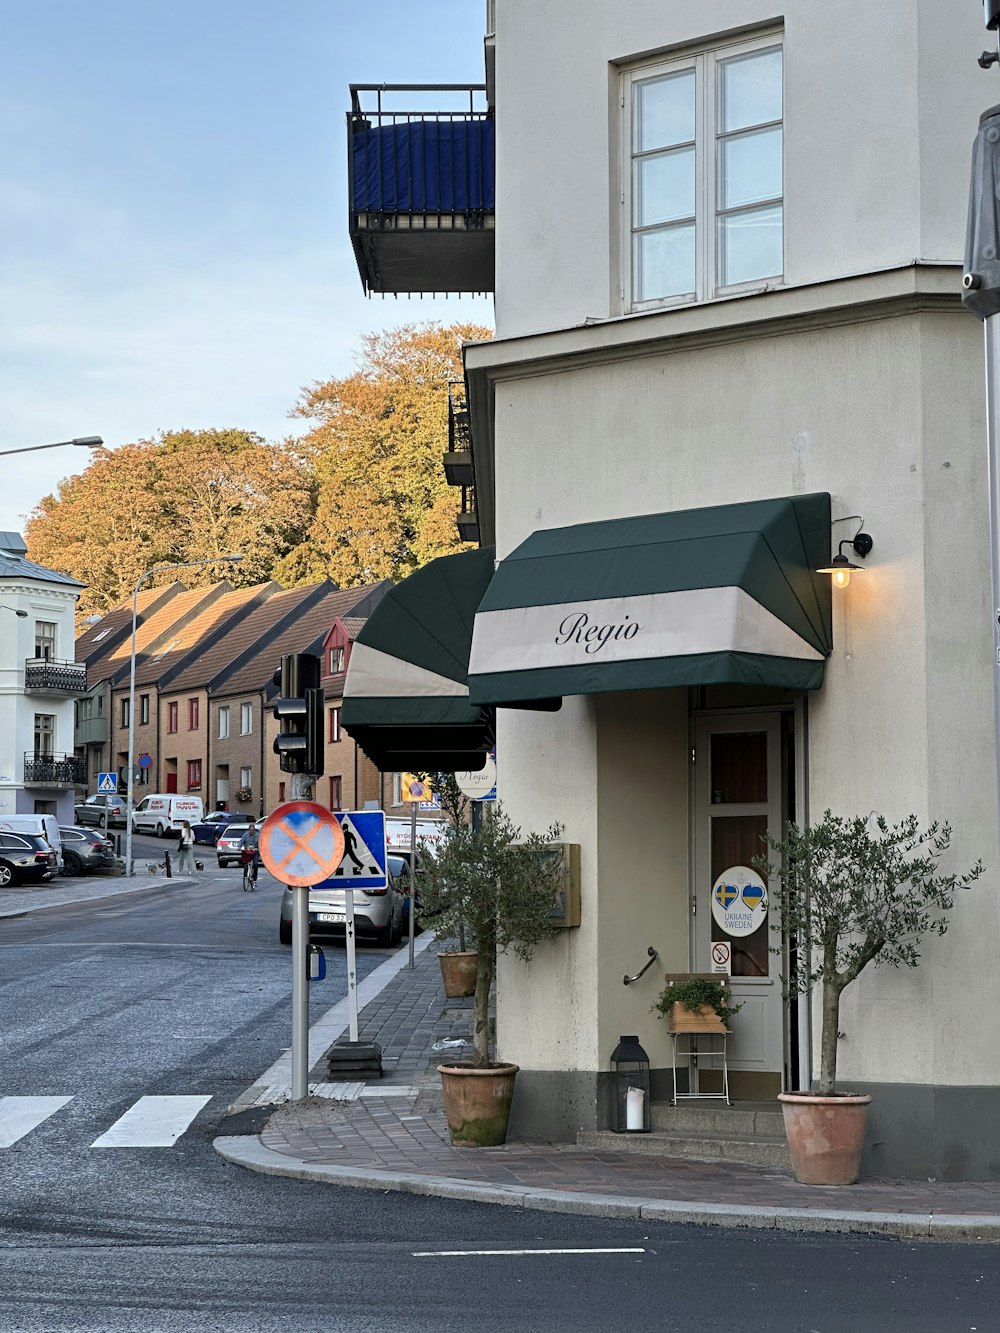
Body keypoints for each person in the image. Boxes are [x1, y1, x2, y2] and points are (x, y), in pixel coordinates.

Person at [238, 817, 260, 884]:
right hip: (247, 851)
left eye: (253, 830)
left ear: (254, 830)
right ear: (248, 830)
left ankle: (254, 879)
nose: (252, 832)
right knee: (246, 863)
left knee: (255, 864)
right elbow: (241, 841)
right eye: (250, 830)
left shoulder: (258, 835)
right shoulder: (245, 835)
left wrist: (258, 848)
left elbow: (260, 843)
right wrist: (239, 847)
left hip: (255, 852)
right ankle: (245, 875)